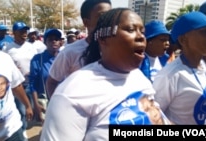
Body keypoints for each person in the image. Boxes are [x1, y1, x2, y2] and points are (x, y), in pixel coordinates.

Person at [40, 8, 171, 141]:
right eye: (131, 30)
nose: (141, 37)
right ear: (103, 39)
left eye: (142, 32)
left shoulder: (139, 77)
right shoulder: (72, 93)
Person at [153, 11, 206, 125]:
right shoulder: (170, 75)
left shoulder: (205, 68)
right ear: (183, 40)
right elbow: (153, 117)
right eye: (205, 32)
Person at [45, 0, 112, 100]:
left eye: (110, 16)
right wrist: (57, 109)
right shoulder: (70, 52)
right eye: (102, 16)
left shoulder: (118, 50)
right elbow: (51, 82)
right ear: (86, 22)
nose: (108, 21)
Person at [2, 21, 37, 138]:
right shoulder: (7, 48)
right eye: (21, 31)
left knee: (33, 106)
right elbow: (3, 65)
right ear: (14, 33)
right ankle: (22, 131)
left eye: (25, 31)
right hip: (18, 85)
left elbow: (35, 61)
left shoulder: (31, 47)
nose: (24, 33)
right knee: (21, 109)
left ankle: (29, 123)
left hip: (31, 82)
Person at [29, 28, 62, 124]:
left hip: (64, 101)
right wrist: (36, 104)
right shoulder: (37, 59)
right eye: (50, 39)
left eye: (56, 39)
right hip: (47, 102)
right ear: (45, 42)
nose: (54, 41)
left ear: (60, 42)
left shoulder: (65, 57)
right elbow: (32, 84)